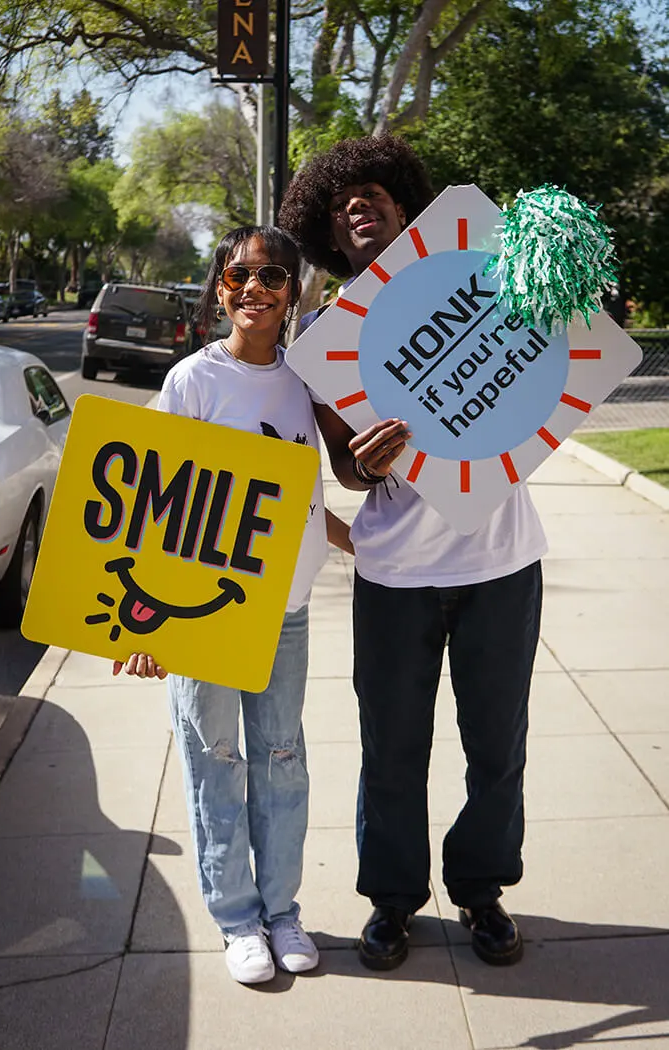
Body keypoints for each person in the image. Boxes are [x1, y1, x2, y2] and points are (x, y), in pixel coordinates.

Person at [279, 134, 546, 969]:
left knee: (496, 748)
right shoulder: (322, 339)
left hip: (503, 562)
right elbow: (345, 471)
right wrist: (369, 459)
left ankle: (482, 893)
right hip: (394, 574)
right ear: (330, 233)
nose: (356, 206)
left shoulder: (485, 284)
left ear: (402, 206)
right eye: (338, 203)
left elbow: (539, 381)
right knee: (391, 749)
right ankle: (392, 903)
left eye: (371, 193)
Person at [114, 225, 352, 985]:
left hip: (284, 610)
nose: (254, 288)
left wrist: (373, 534)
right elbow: (150, 510)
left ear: (293, 294)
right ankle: (237, 918)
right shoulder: (191, 382)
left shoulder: (303, 381)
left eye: (271, 276)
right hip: (200, 619)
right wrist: (138, 622)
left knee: (282, 760)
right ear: (219, 290)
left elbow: (298, 493)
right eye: (238, 275)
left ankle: (283, 911)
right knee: (214, 760)